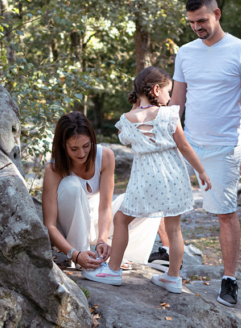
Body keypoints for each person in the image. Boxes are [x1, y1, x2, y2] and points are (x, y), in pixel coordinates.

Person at [170, 0, 241, 307]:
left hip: (224, 148)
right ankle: (172, 269)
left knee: (225, 214)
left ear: (217, 14)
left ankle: (229, 279)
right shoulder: (185, 53)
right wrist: (164, 138)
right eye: (192, 22)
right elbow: (176, 103)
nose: (197, 27)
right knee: (167, 205)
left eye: (202, 20)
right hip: (188, 145)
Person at [81, 67, 211, 293]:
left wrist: (137, 103)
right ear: (156, 89)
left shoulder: (128, 119)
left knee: (122, 220)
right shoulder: (170, 114)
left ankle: (112, 270)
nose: (170, 97)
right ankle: (173, 278)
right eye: (167, 91)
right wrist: (201, 171)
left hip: (146, 177)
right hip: (173, 174)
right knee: (174, 229)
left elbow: (125, 139)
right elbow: (183, 145)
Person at [41, 112, 160, 271]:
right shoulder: (53, 169)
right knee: (71, 186)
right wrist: (74, 254)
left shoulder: (105, 155)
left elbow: (105, 206)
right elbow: (49, 225)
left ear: (92, 140)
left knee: (146, 198)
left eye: (86, 146)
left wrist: (102, 241)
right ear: (63, 145)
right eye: (74, 149)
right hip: (72, 231)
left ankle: (120, 257)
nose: (82, 153)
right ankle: (84, 258)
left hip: (98, 225)